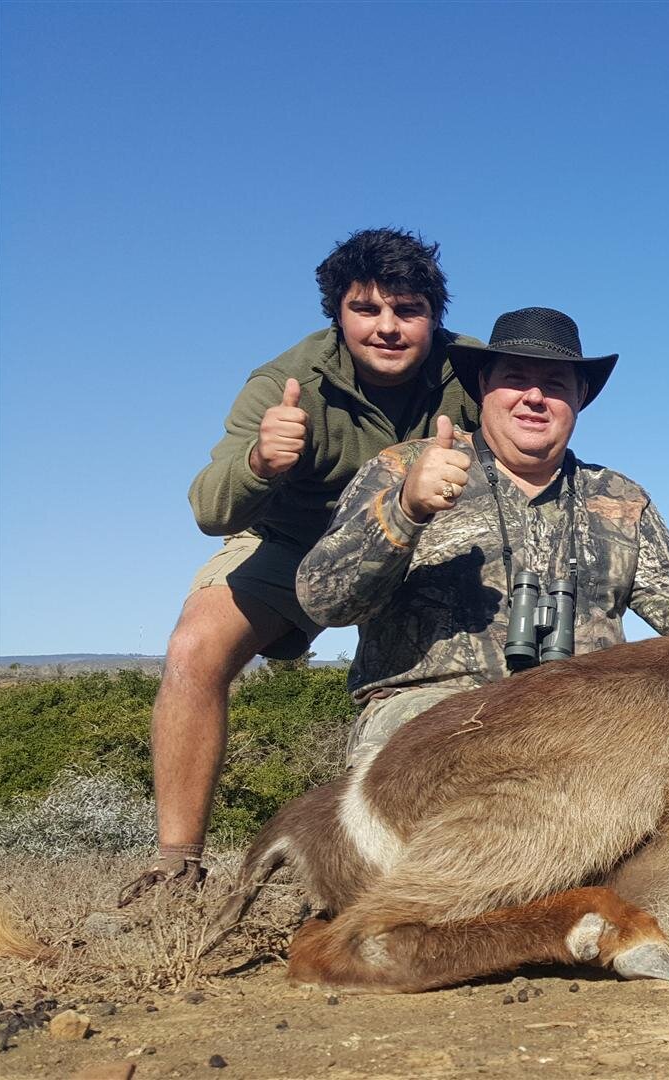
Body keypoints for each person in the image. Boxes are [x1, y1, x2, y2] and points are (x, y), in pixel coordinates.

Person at [124, 229, 482, 905]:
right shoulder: (284, 382)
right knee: (193, 649)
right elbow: (209, 506)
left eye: (407, 310)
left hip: (422, 545)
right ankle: (176, 867)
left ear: (433, 315)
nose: (387, 327)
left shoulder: (473, 370)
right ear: (337, 314)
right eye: (367, 309)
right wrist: (262, 464)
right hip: (294, 546)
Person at [295, 306, 669, 765]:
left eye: (556, 384)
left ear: (581, 397)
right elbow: (324, 601)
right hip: (432, 712)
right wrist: (405, 509)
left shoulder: (621, 499)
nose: (535, 397)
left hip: (586, 716)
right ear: (483, 387)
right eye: (515, 378)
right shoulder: (406, 467)